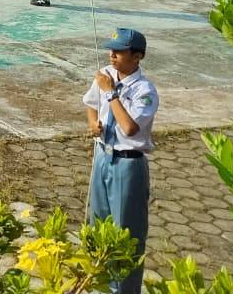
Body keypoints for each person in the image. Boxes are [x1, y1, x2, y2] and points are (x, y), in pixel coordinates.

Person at [84, 28, 158, 294]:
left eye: (120, 52)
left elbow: (129, 128)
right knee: (98, 227)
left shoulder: (145, 91)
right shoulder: (106, 75)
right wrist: (93, 122)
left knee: (126, 235)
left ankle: (124, 290)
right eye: (111, 50)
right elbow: (91, 102)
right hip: (103, 156)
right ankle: (98, 286)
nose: (112, 55)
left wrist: (111, 93)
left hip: (128, 164)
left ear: (137, 56)